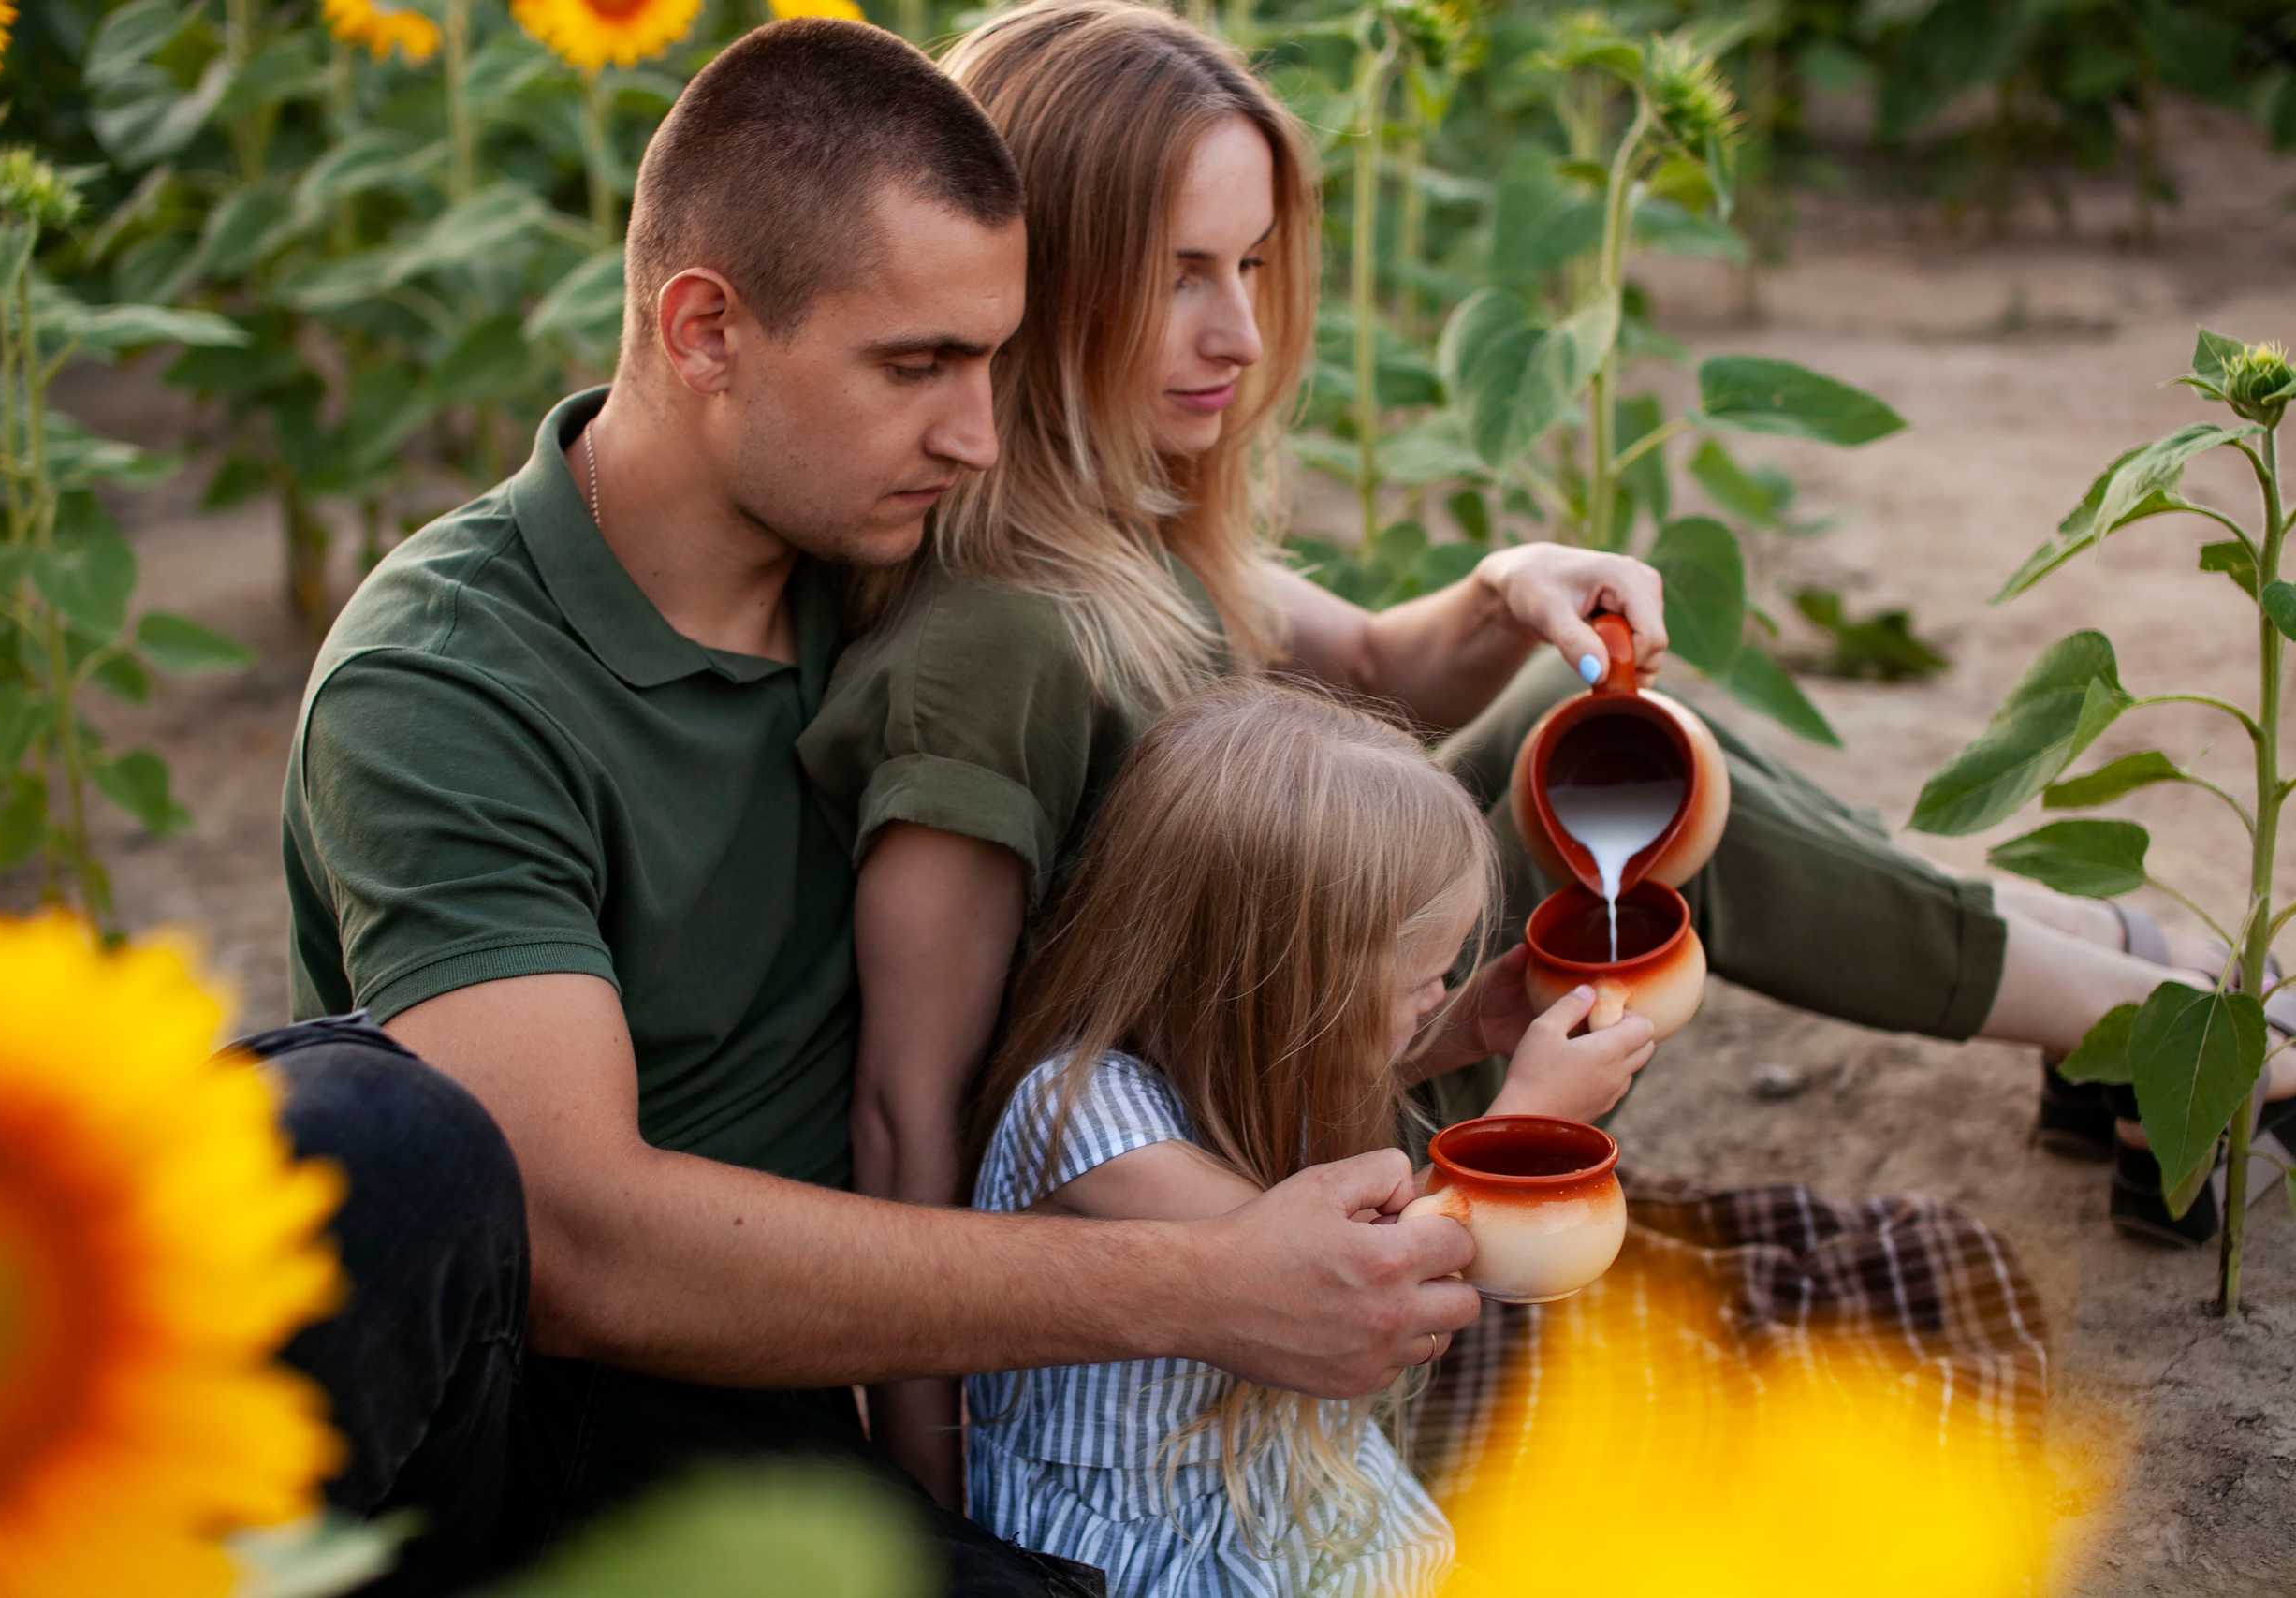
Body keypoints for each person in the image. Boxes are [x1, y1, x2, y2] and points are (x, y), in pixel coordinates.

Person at [792, 0, 2247, 1502]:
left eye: (1250, 266)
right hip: (1221, 1184)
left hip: (1315, 1039)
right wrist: (938, 1501)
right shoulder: (999, 642)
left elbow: (1371, 664)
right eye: (1175, 280)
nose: (1236, 329)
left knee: (1620, 739)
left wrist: (1507, 587)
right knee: (1596, 763)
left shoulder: (1127, 517)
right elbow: (919, 1108)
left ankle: (2107, 974)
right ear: (1036, 281)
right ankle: (2153, 1016)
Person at [266, 22, 1481, 1596]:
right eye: (915, 366)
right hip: (511, 1424)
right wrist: (1197, 1285)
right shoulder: (452, 675)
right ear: (704, 330)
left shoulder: (920, 578)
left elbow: (1296, 648)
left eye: (993, 358)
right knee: (383, 1136)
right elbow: (576, 1244)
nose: (977, 430)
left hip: (778, 1432)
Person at [965, 680, 1645, 1598]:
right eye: (1420, 977)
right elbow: (1359, 1269)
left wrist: (1454, 1035)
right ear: (1288, 981)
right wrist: (1532, 1119)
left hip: (1258, 1493)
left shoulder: (1222, 1069)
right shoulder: (1081, 1118)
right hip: (1132, 1561)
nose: (1436, 993)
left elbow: (1279, 1093)